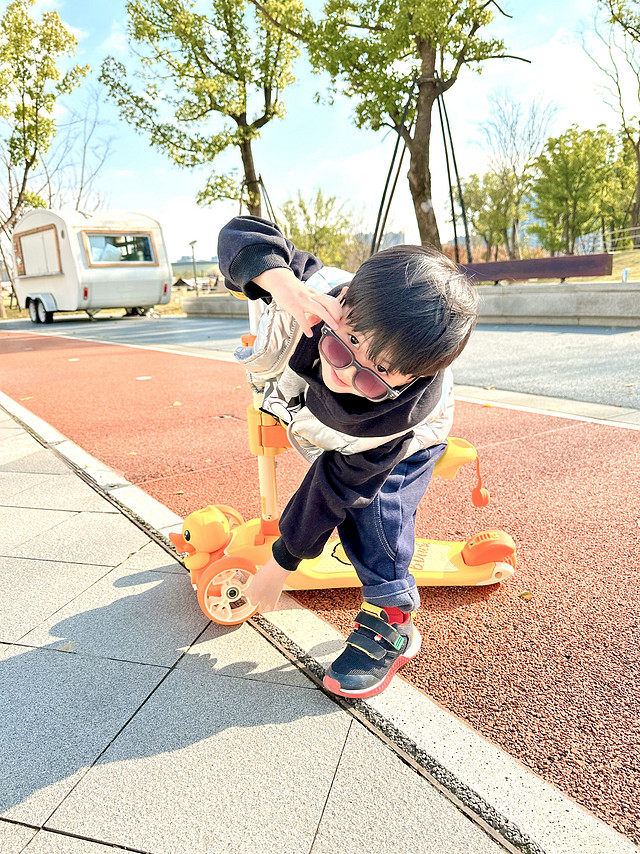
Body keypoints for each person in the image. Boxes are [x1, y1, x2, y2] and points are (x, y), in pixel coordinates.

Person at [218, 216, 478, 699]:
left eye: (377, 372)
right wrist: (285, 287)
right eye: (347, 341)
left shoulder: (394, 421)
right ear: (343, 302)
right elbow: (240, 235)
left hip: (404, 443)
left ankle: (392, 615)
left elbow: (336, 487)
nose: (347, 370)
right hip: (315, 414)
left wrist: (282, 563)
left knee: (372, 510)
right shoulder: (315, 291)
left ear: (410, 379)